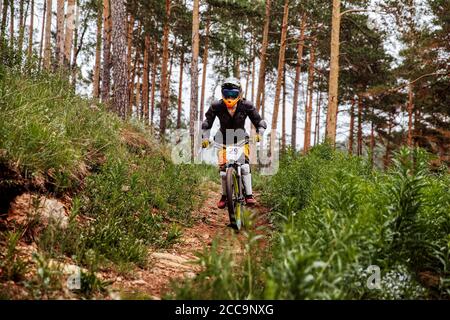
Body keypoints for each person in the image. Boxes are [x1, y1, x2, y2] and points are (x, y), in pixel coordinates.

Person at [201, 77, 267, 209]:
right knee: (224, 172)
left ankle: (249, 195)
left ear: (239, 93)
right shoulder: (216, 106)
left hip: (241, 140)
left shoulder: (246, 105)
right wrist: (205, 138)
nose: (230, 97)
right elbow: (207, 123)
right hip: (223, 141)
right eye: (227, 93)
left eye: (233, 94)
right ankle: (225, 196)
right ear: (222, 93)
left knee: (244, 167)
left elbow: (259, 121)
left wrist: (259, 134)